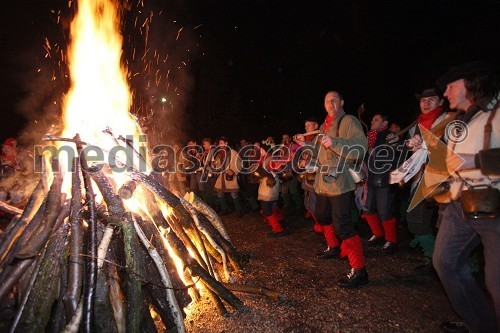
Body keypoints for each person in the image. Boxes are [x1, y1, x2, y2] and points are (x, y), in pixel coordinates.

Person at [432, 61, 500, 333]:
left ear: (469, 83)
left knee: (496, 281)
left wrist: (476, 160)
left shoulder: (497, 111)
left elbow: (468, 158)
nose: (446, 92)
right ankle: (480, 324)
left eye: (450, 85)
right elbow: (451, 160)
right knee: (445, 262)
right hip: (460, 202)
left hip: (493, 204)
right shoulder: (465, 117)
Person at [313, 90, 369, 288]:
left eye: (335, 100)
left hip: (341, 181)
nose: (331, 103)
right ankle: (334, 247)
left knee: (342, 225)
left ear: (342, 102)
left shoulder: (349, 121)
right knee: (321, 214)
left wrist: (335, 142)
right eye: (328, 100)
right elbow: (319, 153)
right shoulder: (322, 126)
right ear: (324, 104)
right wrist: (306, 148)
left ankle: (360, 269)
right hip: (323, 182)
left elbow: (361, 148)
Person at [404, 88, 449, 273]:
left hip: (443, 178)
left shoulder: (448, 121)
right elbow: (410, 150)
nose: (426, 103)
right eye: (423, 100)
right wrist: (409, 144)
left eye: (432, 99)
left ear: (440, 102)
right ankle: (433, 259)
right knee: (417, 219)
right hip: (420, 177)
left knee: (447, 223)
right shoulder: (417, 124)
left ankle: (458, 263)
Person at [361, 114, 399, 254]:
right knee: (368, 209)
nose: (372, 121)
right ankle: (378, 233)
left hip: (385, 181)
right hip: (371, 179)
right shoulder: (371, 136)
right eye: (372, 119)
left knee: (384, 212)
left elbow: (396, 159)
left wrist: (394, 145)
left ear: (385, 122)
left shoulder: (390, 136)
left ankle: (391, 241)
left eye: (376, 119)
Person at [294, 117, 324, 233]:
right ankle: (320, 227)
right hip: (309, 177)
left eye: (309, 125)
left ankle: (324, 229)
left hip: (317, 178)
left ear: (316, 126)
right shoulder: (309, 140)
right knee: (309, 205)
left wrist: (307, 162)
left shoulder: (319, 139)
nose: (306, 128)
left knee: (316, 207)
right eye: (305, 125)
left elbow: (321, 157)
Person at [213, 137, 244, 216]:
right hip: (222, 176)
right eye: (219, 143)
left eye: (222, 143)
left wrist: (233, 171)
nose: (220, 145)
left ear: (226, 143)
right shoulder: (219, 154)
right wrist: (215, 165)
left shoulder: (233, 152)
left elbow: (240, 163)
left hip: (230, 176)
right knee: (220, 193)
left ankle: (239, 210)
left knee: (233, 194)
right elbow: (217, 164)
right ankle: (224, 209)